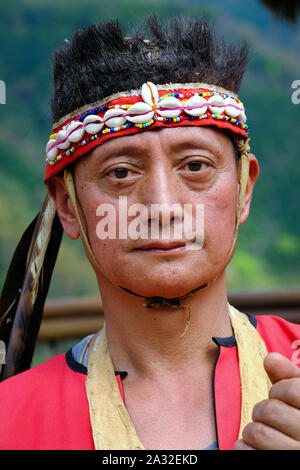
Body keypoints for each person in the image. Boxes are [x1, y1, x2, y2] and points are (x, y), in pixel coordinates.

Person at [0, 16, 300, 451]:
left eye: (195, 166)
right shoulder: (10, 422)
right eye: (121, 173)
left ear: (244, 188)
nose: (162, 206)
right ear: (68, 205)